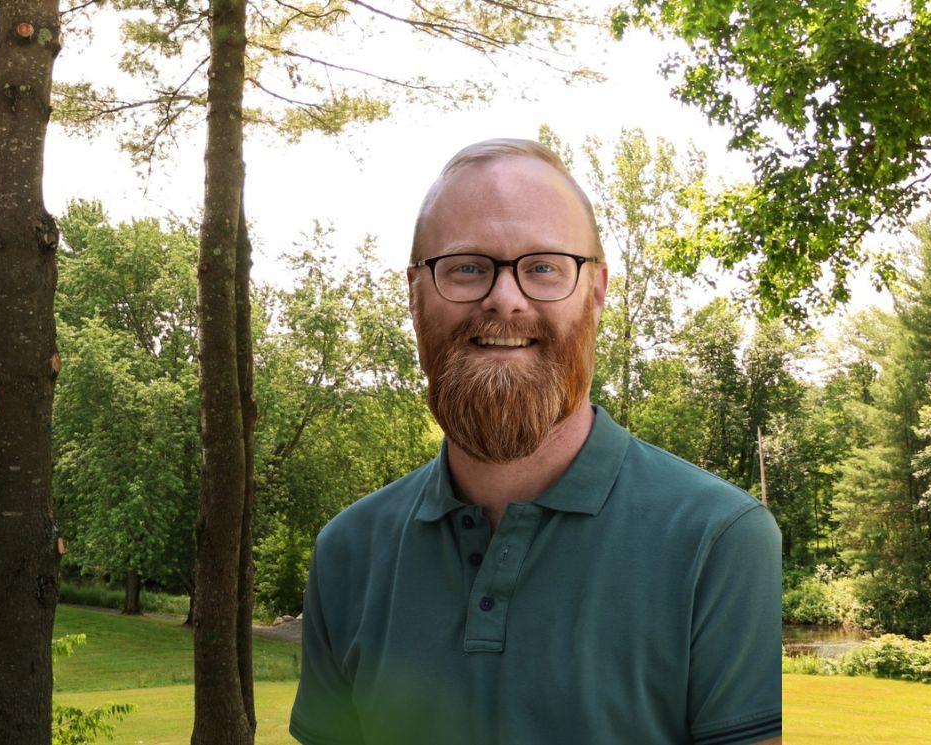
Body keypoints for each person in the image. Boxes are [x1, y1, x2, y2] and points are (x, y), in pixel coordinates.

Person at [289, 139, 782, 745]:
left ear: (596, 292)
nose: (505, 297)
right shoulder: (347, 554)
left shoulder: (721, 542)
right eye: (467, 266)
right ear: (415, 295)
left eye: (544, 266)